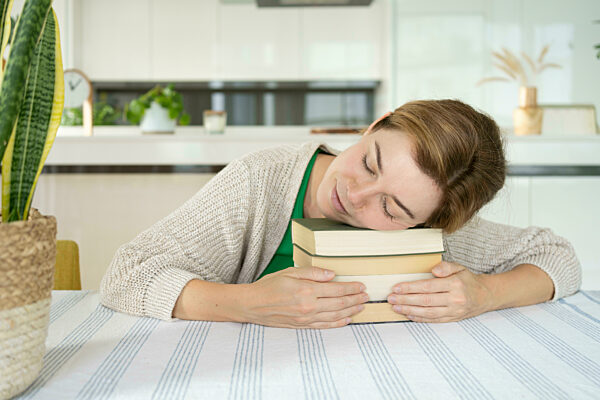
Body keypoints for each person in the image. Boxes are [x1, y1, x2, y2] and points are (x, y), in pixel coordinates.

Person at [100, 99, 581, 329]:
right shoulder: (257, 182)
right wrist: (244, 303)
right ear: (375, 124)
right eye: (370, 161)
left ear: (425, 225)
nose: (356, 194)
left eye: (391, 208)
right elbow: (126, 274)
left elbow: (557, 257)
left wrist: (484, 294)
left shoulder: (435, 226)